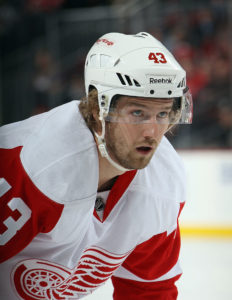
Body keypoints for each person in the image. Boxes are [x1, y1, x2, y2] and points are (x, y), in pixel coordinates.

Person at [0, 32, 192, 299]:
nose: (152, 131)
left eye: (162, 114)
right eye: (137, 113)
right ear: (96, 110)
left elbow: (149, 291)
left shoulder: (163, 184)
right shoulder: (33, 166)